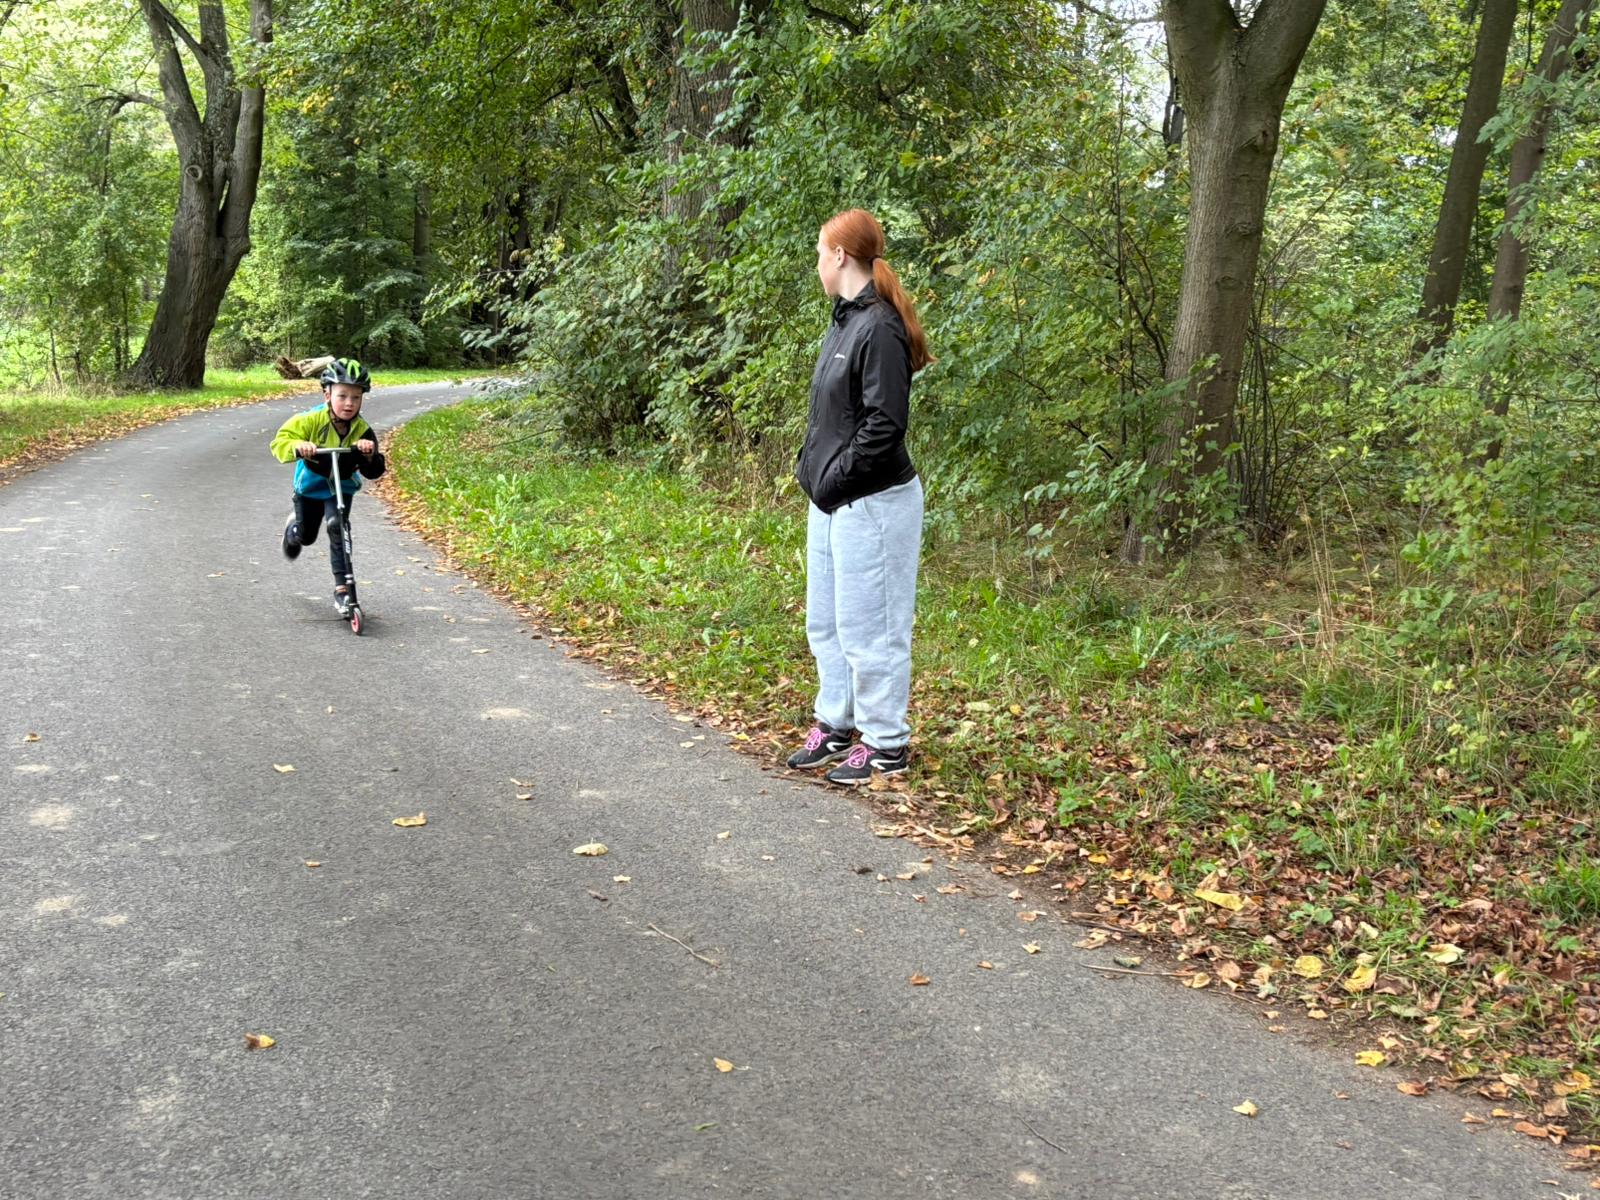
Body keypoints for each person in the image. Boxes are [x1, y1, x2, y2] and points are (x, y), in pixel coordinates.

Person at [787, 208, 931, 786]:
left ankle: (886, 742)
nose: (818, 265)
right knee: (827, 623)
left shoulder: (880, 327)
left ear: (840, 256)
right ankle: (836, 724)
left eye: (820, 255)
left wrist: (834, 480)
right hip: (833, 501)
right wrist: (814, 475)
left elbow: (883, 426)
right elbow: (832, 414)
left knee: (873, 629)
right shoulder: (845, 320)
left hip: (874, 502)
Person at [270, 357, 385, 615]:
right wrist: (298, 446)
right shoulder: (310, 420)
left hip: (342, 488)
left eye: (356, 397)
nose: (349, 403)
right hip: (311, 486)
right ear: (327, 395)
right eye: (342, 396)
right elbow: (280, 442)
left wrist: (368, 455)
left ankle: (343, 590)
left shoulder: (362, 429)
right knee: (307, 536)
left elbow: (375, 470)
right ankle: (293, 531)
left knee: (337, 525)